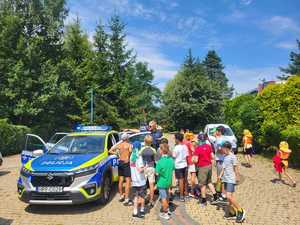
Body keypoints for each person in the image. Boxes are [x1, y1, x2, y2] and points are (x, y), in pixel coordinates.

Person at [218, 141, 245, 223]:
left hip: (230, 179)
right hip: (225, 179)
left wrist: (237, 177)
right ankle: (232, 213)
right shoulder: (225, 156)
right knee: (229, 198)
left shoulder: (233, 157)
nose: (221, 150)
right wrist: (220, 176)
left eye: (222, 148)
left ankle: (241, 210)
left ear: (226, 148)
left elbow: (235, 168)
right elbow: (224, 168)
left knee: (229, 196)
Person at [194, 132, 218, 206]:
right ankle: (215, 197)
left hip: (202, 167)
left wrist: (193, 159)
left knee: (202, 185)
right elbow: (213, 156)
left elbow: (196, 160)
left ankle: (204, 201)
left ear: (199, 140)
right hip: (209, 166)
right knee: (209, 182)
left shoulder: (198, 148)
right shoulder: (208, 146)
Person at [109, 133, 132, 205]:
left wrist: (117, 154)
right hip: (126, 163)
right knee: (128, 180)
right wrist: (128, 156)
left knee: (121, 179)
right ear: (127, 138)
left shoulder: (119, 145)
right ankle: (126, 198)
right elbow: (131, 152)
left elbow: (110, 150)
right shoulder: (129, 145)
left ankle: (121, 195)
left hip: (120, 162)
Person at [155, 143, 175, 220]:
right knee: (167, 196)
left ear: (161, 151)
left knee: (163, 197)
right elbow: (173, 168)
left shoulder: (159, 162)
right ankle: (168, 209)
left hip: (162, 182)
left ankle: (165, 212)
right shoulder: (171, 160)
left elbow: (157, 173)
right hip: (169, 181)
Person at [139, 135, 157, 207]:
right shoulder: (153, 150)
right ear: (151, 142)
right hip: (151, 167)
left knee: (143, 184)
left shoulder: (142, 149)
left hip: (144, 168)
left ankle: (142, 199)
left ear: (144, 141)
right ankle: (151, 200)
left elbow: (139, 158)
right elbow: (155, 160)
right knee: (151, 184)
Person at [130, 141, 147, 218]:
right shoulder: (139, 157)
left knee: (135, 197)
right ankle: (142, 210)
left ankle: (135, 211)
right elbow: (140, 170)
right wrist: (145, 166)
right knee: (142, 196)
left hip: (134, 181)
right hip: (141, 181)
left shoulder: (131, 156)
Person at [213, 126, 228, 201]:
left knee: (220, 177)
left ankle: (222, 194)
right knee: (222, 176)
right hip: (223, 159)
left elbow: (220, 150)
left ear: (219, 131)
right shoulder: (225, 138)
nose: (215, 132)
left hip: (220, 160)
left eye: (216, 131)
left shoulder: (219, 140)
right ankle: (221, 192)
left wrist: (219, 151)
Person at [172, 133, 188, 202]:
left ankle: (181, 196)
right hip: (185, 164)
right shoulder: (185, 146)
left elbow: (173, 156)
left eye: (175, 138)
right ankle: (185, 193)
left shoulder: (176, 147)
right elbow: (187, 155)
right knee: (184, 180)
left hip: (178, 166)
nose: (174, 140)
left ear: (177, 139)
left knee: (180, 180)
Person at [183, 132, 197, 197]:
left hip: (185, 161)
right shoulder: (190, 143)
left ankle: (185, 191)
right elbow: (193, 151)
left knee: (185, 177)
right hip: (191, 161)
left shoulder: (183, 143)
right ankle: (192, 191)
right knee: (193, 176)